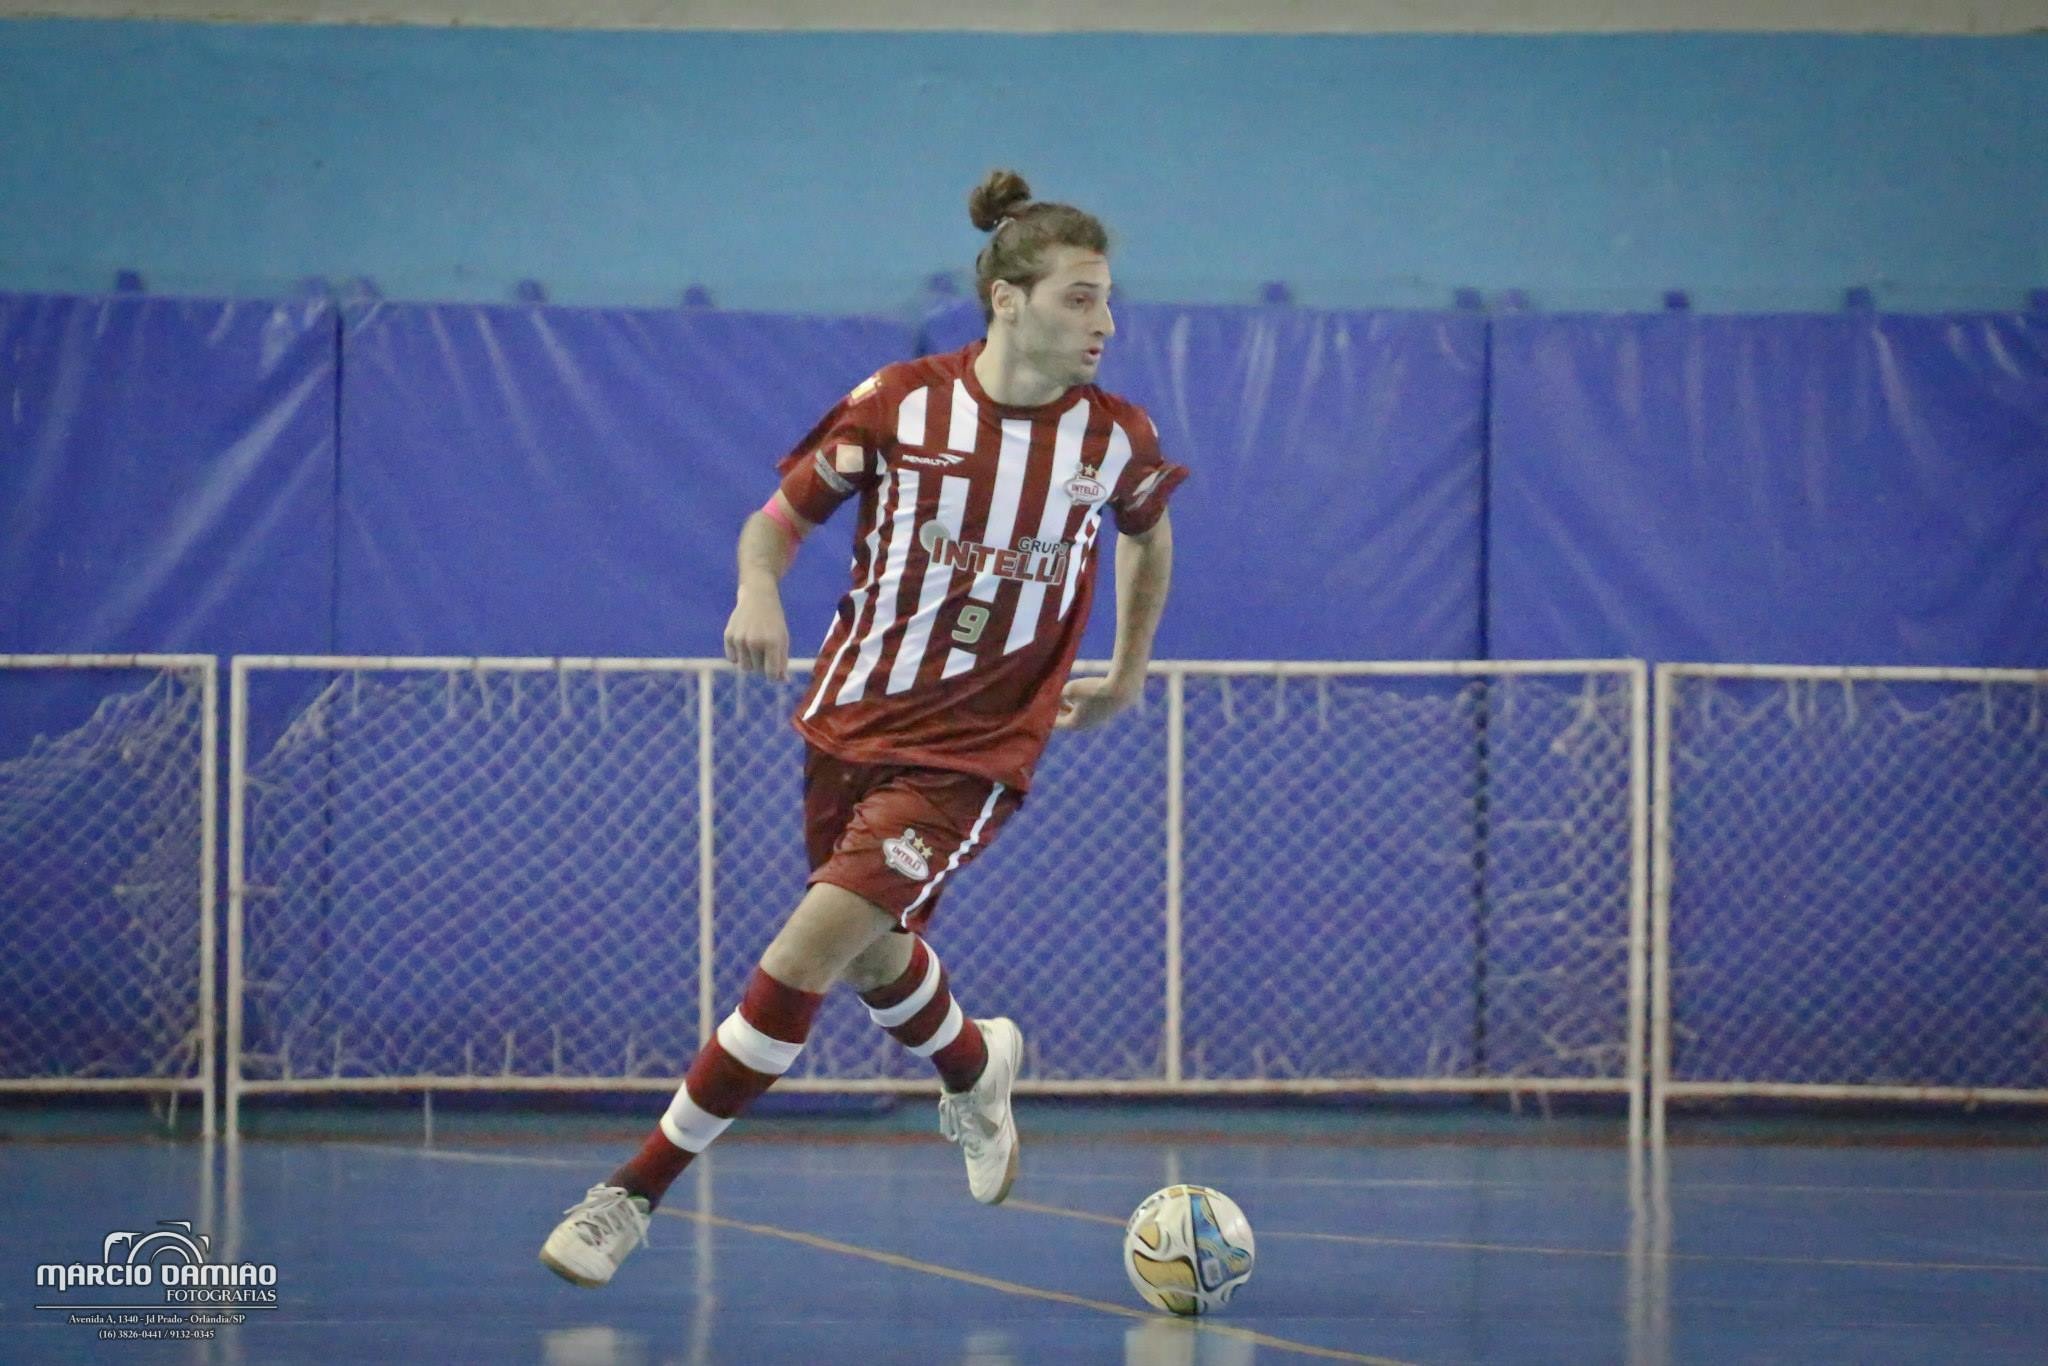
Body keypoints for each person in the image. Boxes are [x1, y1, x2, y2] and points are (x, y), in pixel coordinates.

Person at [540, 168, 1185, 1288]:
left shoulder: (1113, 439)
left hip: (973, 754)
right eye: (1080, 297)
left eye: (1108, 297)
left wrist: (1125, 670)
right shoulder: (899, 402)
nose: (1105, 323)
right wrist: (754, 590)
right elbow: (774, 521)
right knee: (868, 950)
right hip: (845, 721)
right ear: (1008, 301)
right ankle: (975, 1062)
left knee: (803, 951)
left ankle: (628, 1193)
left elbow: (1146, 533)